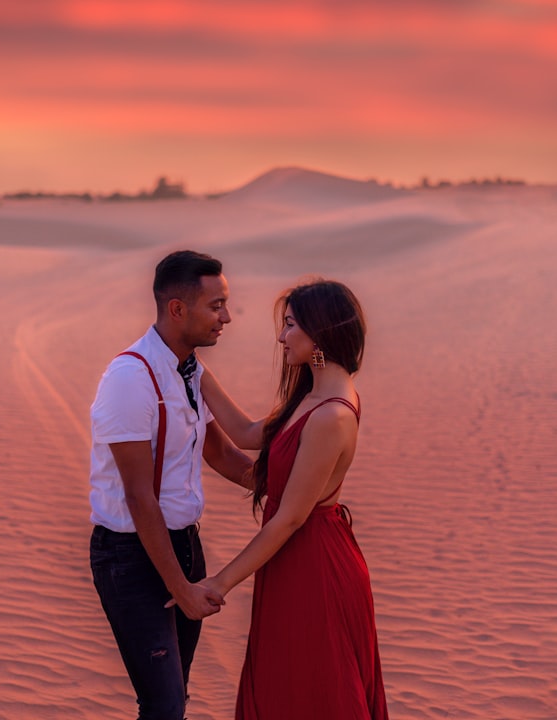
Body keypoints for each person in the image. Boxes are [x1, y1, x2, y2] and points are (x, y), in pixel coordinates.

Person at [187, 279, 389, 719]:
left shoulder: (331, 414)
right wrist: (193, 372)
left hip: (314, 567)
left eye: (291, 325)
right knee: (285, 682)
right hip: (292, 561)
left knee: (311, 688)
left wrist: (218, 583)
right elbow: (243, 435)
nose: (281, 337)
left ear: (320, 331)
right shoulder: (310, 395)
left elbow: (289, 519)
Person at [89, 250, 254, 720]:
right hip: (130, 555)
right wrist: (180, 587)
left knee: (174, 699)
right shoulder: (130, 378)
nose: (226, 317)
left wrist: (292, 485)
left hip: (184, 545)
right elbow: (139, 498)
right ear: (178, 309)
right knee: (162, 706)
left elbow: (225, 450)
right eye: (216, 305)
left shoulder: (190, 370)